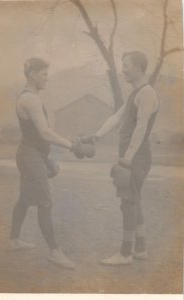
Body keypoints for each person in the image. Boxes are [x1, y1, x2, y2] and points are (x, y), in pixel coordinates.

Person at [81, 51, 159, 265]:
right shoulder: (136, 93)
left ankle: (125, 254)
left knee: (127, 202)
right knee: (134, 199)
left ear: (139, 67)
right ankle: (140, 249)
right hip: (132, 155)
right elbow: (117, 117)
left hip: (136, 156)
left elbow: (141, 128)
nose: (122, 69)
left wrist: (127, 158)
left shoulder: (147, 93)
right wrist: (96, 136)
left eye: (126, 65)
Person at [9, 57, 77, 269]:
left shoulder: (31, 97)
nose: (47, 78)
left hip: (33, 154)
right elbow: (45, 133)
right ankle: (55, 252)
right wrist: (71, 145)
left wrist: (49, 158)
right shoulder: (30, 99)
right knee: (45, 202)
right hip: (30, 156)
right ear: (32, 74)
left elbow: (41, 136)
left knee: (24, 198)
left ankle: (13, 241)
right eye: (43, 74)